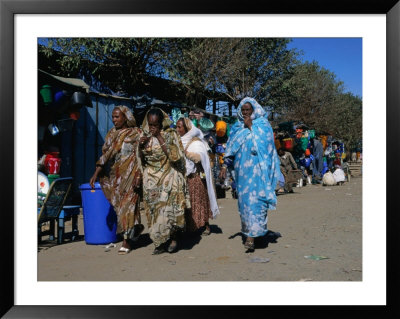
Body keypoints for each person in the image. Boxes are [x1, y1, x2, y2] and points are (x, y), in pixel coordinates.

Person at [219, 97, 280, 252]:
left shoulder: (263, 125)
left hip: (259, 173)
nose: (245, 112)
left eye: (248, 110)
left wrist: (251, 127)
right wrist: (225, 167)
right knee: (245, 205)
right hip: (243, 176)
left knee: (258, 203)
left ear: (254, 110)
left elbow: (267, 146)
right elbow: (230, 150)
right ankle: (250, 234)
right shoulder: (236, 128)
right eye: (243, 110)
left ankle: (253, 236)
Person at [89, 105, 143, 255]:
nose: (114, 120)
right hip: (116, 177)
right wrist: (96, 173)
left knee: (129, 206)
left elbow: (143, 155)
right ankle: (135, 229)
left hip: (132, 175)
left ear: (126, 117)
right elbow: (106, 155)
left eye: (117, 117)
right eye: (113, 117)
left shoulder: (136, 134)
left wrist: (140, 175)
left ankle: (126, 241)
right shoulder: (111, 134)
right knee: (120, 207)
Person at [138, 108, 190, 255]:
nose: (152, 127)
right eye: (150, 124)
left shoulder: (170, 135)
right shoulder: (144, 136)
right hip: (151, 181)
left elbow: (175, 157)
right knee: (154, 211)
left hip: (168, 177)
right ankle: (159, 242)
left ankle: (173, 239)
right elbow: (141, 160)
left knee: (168, 211)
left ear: (161, 123)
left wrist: (159, 138)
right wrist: (141, 147)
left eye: (155, 124)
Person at [176, 118, 220, 236]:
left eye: (180, 127)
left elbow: (199, 158)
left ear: (187, 128)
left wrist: (186, 153)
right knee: (187, 204)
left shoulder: (196, 142)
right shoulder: (177, 141)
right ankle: (190, 227)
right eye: (177, 127)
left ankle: (205, 225)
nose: (177, 129)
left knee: (200, 202)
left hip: (196, 178)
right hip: (183, 178)